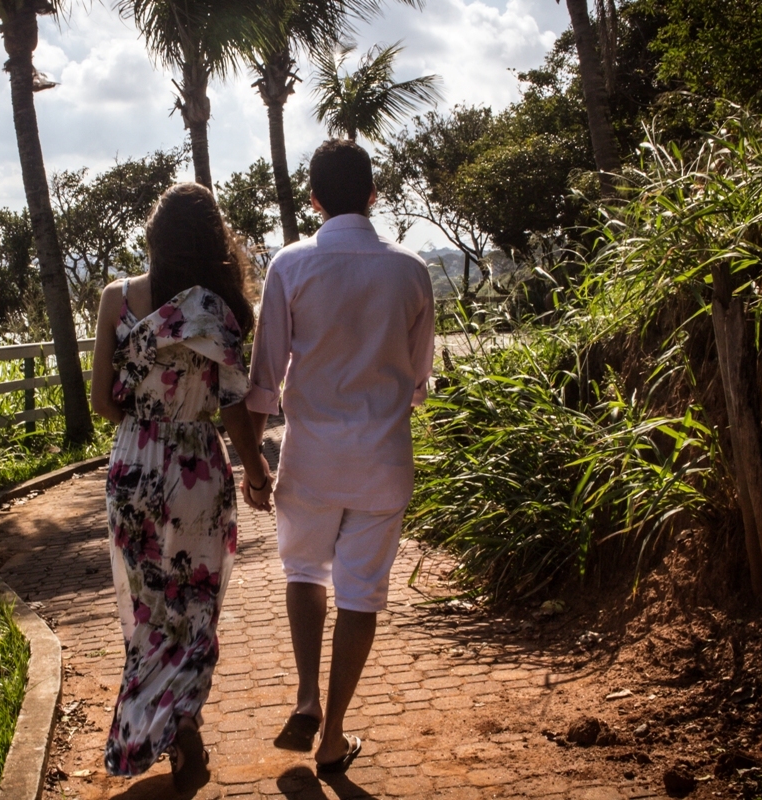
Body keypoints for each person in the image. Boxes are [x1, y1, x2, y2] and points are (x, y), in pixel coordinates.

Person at [243, 139, 435, 774]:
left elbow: (264, 378)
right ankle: (335, 735)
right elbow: (417, 379)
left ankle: (305, 697)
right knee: (361, 592)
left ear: (314, 198)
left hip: (310, 455)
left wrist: (252, 460)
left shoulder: (290, 265)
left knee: (303, 572)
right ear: (374, 195)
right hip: (383, 456)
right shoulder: (410, 270)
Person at [90, 183, 273, 793]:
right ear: (212, 241)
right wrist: (255, 467)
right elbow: (232, 405)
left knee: (148, 609)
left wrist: (146, 429)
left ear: (155, 235)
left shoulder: (116, 300)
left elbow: (100, 402)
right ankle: (184, 720)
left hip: (135, 463)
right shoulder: (218, 309)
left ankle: (155, 727)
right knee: (196, 605)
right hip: (198, 465)